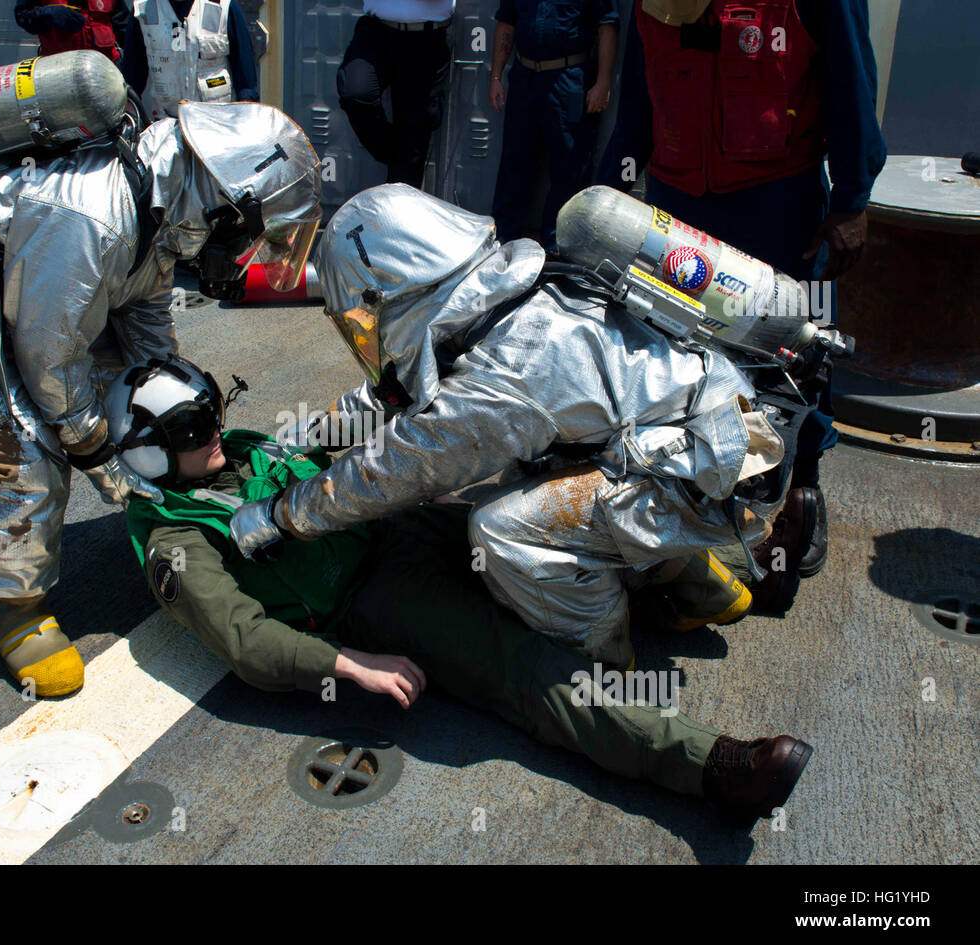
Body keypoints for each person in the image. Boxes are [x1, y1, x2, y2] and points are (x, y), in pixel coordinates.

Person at [110, 355, 813, 827]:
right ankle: (715, 766)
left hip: (396, 527)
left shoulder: (231, 454)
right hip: (372, 598)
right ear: (150, 450)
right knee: (521, 664)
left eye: (212, 411)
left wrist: (398, 390)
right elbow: (244, 638)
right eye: (197, 427)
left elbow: (315, 447)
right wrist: (348, 664)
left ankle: (750, 566)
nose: (218, 431)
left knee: (568, 508)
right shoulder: (178, 541)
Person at [0, 100, 322, 697]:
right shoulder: (94, 214)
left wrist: (167, 385)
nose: (245, 243)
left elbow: (142, 307)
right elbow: (49, 353)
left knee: (136, 396)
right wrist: (97, 452)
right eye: (250, 227)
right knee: (20, 443)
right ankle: (14, 606)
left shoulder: (163, 203)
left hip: (25, 282)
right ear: (228, 199)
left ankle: (171, 502)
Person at [228, 184, 796, 671]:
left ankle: (600, 659)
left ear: (386, 296)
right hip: (715, 442)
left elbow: (400, 467)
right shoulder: (508, 295)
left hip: (710, 469)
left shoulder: (505, 368)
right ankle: (709, 591)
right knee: (555, 471)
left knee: (502, 528)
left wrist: (282, 514)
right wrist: (312, 434)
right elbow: (400, 396)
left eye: (361, 312)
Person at [597, 0, 889, 600]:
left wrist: (853, 199)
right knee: (677, 352)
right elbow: (639, 92)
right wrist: (613, 187)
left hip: (778, 199)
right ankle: (693, 486)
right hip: (680, 202)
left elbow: (850, 81)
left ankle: (800, 483)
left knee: (796, 346)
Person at [489, 0, 619, 249]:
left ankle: (557, 250)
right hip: (524, 78)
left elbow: (607, 27)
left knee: (570, 170)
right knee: (514, 164)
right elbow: (506, 22)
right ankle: (501, 243)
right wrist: (496, 76)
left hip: (568, 80)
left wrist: (603, 82)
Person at [337, 0, 456, 188]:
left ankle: (399, 195)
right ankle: (398, 155)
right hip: (377, 30)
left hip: (426, 37)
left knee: (415, 129)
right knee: (356, 92)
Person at [116, 0, 260, 123]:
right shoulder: (143, 10)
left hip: (218, 126)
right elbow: (132, 80)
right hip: (166, 127)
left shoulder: (223, 6)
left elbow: (246, 84)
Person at [14, 0, 127, 63]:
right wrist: (49, 14)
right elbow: (23, 16)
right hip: (58, 72)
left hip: (107, 69)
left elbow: (124, 27)